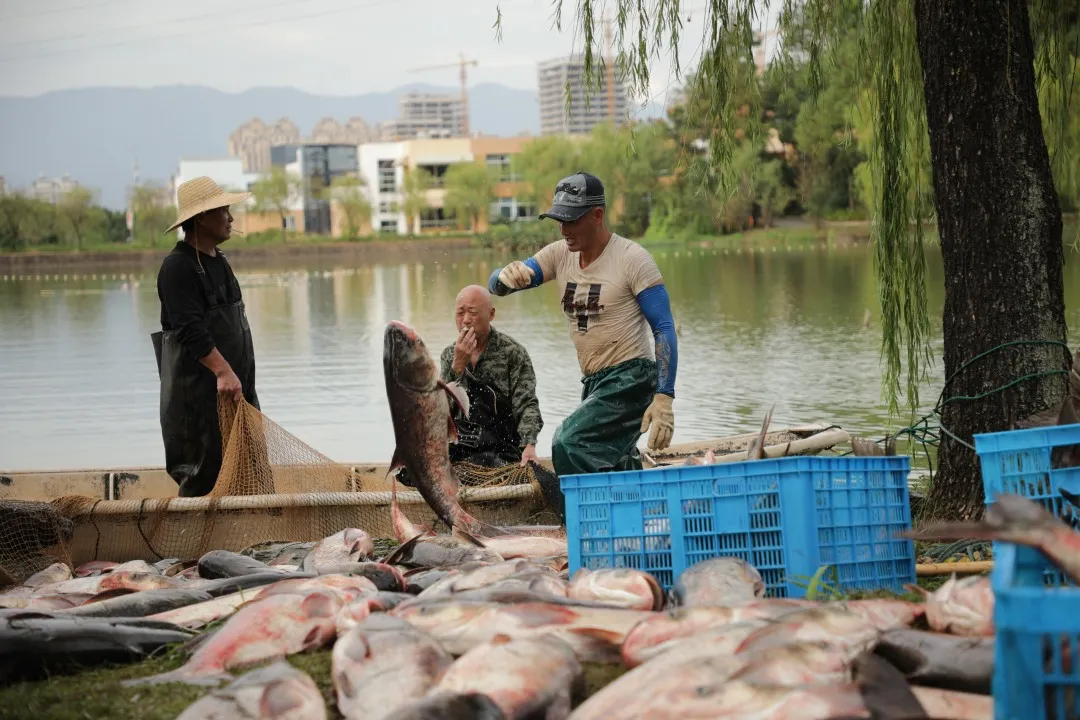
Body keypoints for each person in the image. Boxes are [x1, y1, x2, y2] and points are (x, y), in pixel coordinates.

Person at [487, 171, 678, 478]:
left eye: (571, 220)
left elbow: (664, 329)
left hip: (631, 378)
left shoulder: (632, 259)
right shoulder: (559, 255)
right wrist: (503, 277)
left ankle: (580, 522)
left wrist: (664, 397)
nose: (563, 229)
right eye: (559, 221)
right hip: (594, 383)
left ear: (597, 215)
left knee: (568, 443)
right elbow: (501, 284)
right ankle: (635, 513)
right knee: (613, 460)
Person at [151, 176, 260, 497]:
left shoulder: (220, 261)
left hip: (238, 392)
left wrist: (237, 380)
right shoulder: (177, 267)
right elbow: (189, 329)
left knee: (249, 468)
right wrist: (223, 371)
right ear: (201, 217)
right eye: (223, 210)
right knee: (202, 472)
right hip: (197, 400)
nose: (231, 218)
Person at [438, 284, 544, 469]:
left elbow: (526, 404)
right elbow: (440, 410)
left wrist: (529, 444)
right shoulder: (449, 354)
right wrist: (457, 367)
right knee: (408, 469)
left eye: (473, 312)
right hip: (461, 442)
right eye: (460, 313)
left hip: (500, 445)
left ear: (491, 314)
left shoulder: (513, 352)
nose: (466, 320)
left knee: (486, 462)